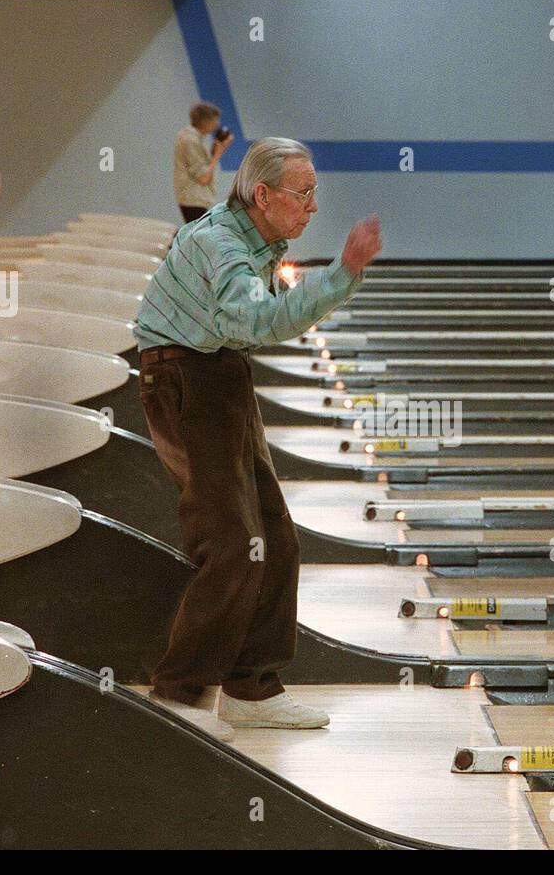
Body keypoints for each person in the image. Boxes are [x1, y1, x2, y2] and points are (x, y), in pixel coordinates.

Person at [134, 137, 381, 741]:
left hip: (218, 376)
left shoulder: (254, 241)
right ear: (263, 195)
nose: (313, 207)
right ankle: (180, 695)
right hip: (184, 380)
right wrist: (342, 273)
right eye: (305, 193)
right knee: (233, 540)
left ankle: (252, 687)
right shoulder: (219, 246)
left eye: (314, 192)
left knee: (276, 536)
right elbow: (261, 321)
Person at [174, 101, 232, 224]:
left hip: (193, 198)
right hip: (194, 199)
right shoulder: (190, 140)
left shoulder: (192, 138)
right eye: (216, 121)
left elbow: (203, 167)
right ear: (206, 121)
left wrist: (216, 150)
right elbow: (203, 177)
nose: (218, 125)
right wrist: (218, 154)